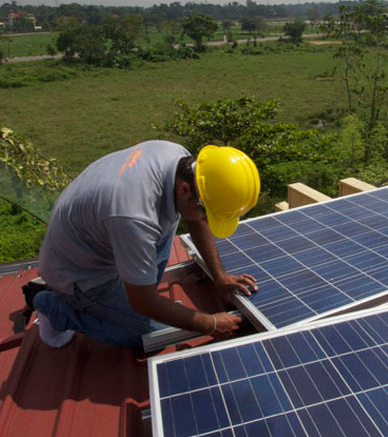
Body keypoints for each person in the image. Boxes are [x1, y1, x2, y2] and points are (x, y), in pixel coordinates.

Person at [27, 140, 260, 349]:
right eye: (207, 213)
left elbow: (195, 217)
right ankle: (55, 308)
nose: (206, 221)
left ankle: (137, 288)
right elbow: (144, 301)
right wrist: (210, 323)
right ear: (185, 189)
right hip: (78, 270)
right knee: (155, 336)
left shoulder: (181, 161)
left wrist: (218, 275)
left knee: (158, 302)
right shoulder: (135, 216)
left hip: (107, 232)